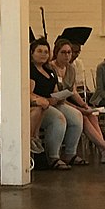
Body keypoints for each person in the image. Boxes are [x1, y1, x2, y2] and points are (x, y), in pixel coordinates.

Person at [51, 38, 105, 164]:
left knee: (91, 115)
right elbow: (58, 96)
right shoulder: (52, 68)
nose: (67, 55)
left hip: (67, 100)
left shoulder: (71, 69)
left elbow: (73, 91)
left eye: (69, 52)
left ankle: (104, 150)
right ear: (56, 53)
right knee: (82, 117)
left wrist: (84, 105)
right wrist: (80, 109)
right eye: (63, 52)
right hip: (56, 101)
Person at [29, 38, 69, 170]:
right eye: (39, 51)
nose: (43, 54)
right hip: (38, 105)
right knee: (59, 119)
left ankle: (70, 153)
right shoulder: (30, 70)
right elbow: (28, 94)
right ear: (32, 53)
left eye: (46, 52)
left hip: (51, 102)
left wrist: (59, 97)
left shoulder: (50, 70)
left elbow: (55, 91)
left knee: (77, 117)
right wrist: (45, 100)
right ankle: (53, 156)